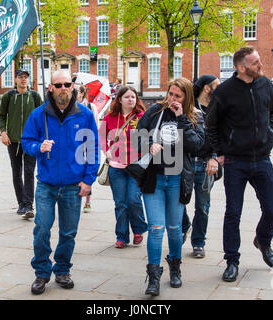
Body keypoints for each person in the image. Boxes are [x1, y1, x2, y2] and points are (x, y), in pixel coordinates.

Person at [205, 46, 273, 282]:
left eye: (259, 60)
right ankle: (232, 261)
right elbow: (211, 125)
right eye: (255, 62)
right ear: (241, 67)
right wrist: (218, 153)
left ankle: (263, 241)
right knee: (233, 212)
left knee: (272, 208)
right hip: (236, 161)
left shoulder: (265, 85)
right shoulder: (224, 92)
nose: (260, 65)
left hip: (262, 159)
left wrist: (270, 135)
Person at [21, 70, 99, 295]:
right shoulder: (38, 115)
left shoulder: (84, 115)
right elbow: (27, 141)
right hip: (46, 184)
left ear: (72, 87)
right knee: (42, 228)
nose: (63, 88)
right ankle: (42, 273)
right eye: (58, 85)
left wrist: (88, 180)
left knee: (68, 232)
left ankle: (63, 269)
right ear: (50, 88)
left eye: (67, 84)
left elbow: (92, 149)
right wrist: (38, 147)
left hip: (74, 186)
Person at [135, 78, 204, 296]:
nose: (172, 99)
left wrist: (181, 117)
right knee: (156, 229)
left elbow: (197, 146)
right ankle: (153, 275)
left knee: (174, 229)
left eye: (177, 96)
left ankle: (175, 268)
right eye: (170, 94)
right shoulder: (155, 111)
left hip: (177, 179)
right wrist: (148, 144)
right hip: (154, 179)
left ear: (187, 98)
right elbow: (138, 136)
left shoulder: (194, 116)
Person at [100, 86, 148, 249]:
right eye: (127, 97)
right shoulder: (110, 117)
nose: (130, 100)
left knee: (133, 199)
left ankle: (138, 229)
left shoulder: (142, 117)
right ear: (119, 99)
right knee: (120, 202)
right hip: (116, 167)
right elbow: (100, 136)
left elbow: (149, 137)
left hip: (136, 167)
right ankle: (121, 236)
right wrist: (106, 151)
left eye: (133, 97)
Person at [181, 74, 221, 259]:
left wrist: (215, 157)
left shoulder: (218, 109)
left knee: (202, 206)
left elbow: (221, 137)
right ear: (207, 88)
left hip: (207, 164)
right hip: (185, 162)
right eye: (216, 85)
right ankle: (184, 225)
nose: (219, 88)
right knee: (178, 202)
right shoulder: (188, 107)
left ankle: (198, 243)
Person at [0, 69, 43, 219]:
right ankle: (21, 203)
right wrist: (3, 132)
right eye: (20, 77)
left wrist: (41, 136)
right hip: (13, 140)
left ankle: (29, 204)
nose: (23, 80)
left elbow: (42, 116)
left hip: (31, 141)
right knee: (16, 172)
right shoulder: (8, 96)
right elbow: (2, 115)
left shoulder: (35, 96)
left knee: (29, 172)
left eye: (26, 77)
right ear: (16, 80)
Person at [76, 84, 99, 213]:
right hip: (76, 144)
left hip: (87, 144)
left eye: (77, 92)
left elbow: (95, 125)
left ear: (82, 94)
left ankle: (88, 201)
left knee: (88, 171)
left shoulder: (91, 107)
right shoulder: (70, 107)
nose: (74, 94)